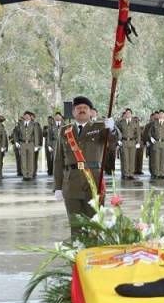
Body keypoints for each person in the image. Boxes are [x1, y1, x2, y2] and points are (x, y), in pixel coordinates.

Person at [53, 96, 115, 236]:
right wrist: (57, 186)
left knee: (95, 225)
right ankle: (77, 255)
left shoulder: (100, 127)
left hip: (93, 181)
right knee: (75, 226)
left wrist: (113, 129)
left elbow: (112, 142)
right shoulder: (64, 131)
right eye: (78, 108)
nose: (82, 110)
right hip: (71, 183)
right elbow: (58, 161)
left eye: (85, 108)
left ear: (90, 112)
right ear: (73, 112)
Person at [16, 111, 41, 181]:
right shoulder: (20, 124)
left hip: (31, 144)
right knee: (23, 160)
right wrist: (16, 142)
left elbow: (36, 135)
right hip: (22, 143)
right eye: (25, 115)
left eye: (28, 116)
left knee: (30, 160)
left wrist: (36, 145)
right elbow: (16, 134)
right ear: (23, 116)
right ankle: (24, 175)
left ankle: (30, 175)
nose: (26, 117)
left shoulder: (34, 124)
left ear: (30, 117)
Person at [117, 108, 140, 179]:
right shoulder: (121, 122)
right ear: (125, 114)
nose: (128, 114)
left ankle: (131, 174)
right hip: (124, 142)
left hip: (132, 142)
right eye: (127, 113)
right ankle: (126, 174)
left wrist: (138, 142)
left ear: (131, 114)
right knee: (125, 159)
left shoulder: (135, 122)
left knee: (132, 159)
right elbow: (117, 132)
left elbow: (138, 133)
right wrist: (118, 140)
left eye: (129, 113)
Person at [150, 110, 164, 179]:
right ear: (158, 115)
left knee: (163, 159)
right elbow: (149, 132)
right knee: (156, 159)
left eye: (162, 114)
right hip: (156, 142)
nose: (161, 115)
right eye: (160, 114)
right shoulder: (154, 123)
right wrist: (151, 138)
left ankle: (162, 173)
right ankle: (156, 173)